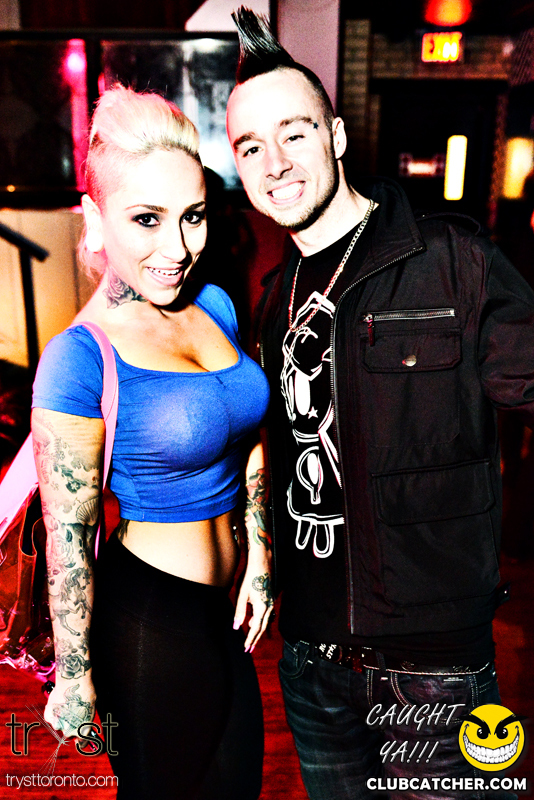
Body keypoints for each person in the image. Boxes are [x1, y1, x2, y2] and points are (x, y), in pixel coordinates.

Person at [226, 9, 534, 800]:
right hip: (311, 664)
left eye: (294, 133)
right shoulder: (273, 297)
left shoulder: (453, 263)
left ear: (334, 135)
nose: (274, 163)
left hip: (433, 672)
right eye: (251, 146)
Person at [31, 84, 272, 800]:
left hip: (225, 610)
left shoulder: (215, 305)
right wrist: (74, 676)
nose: (178, 248)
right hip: (150, 619)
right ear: (95, 218)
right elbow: (67, 539)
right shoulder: (78, 359)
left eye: (192, 216)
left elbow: (248, 436)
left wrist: (261, 556)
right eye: (147, 219)